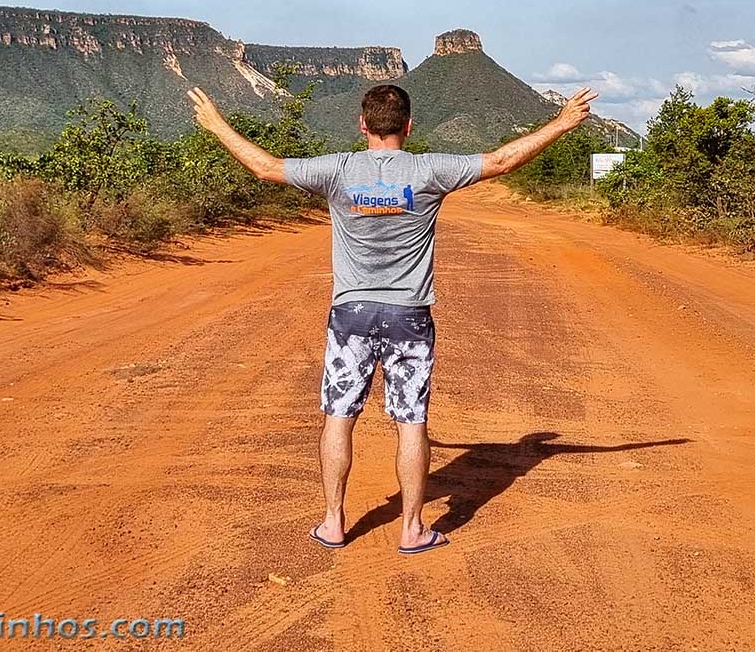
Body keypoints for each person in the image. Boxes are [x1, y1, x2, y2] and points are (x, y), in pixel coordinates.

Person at [187, 82, 598, 554]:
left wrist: (216, 122)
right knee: (411, 423)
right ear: (408, 125)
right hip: (410, 317)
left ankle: (333, 523)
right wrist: (563, 121)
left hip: (351, 315)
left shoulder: (337, 170)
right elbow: (502, 160)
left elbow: (264, 167)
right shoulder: (428, 171)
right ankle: (412, 529)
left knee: (339, 419)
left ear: (363, 125)